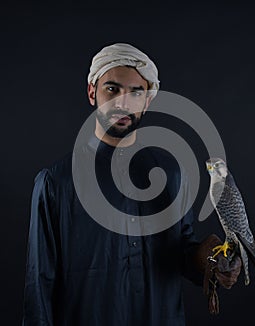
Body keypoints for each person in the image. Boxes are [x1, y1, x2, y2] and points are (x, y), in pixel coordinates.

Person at [23, 43, 241, 326]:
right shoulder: (56, 183)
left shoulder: (173, 174)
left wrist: (210, 261)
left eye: (136, 92)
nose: (123, 103)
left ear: (148, 100)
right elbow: (38, 286)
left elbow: (181, 254)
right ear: (92, 93)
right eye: (112, 89)